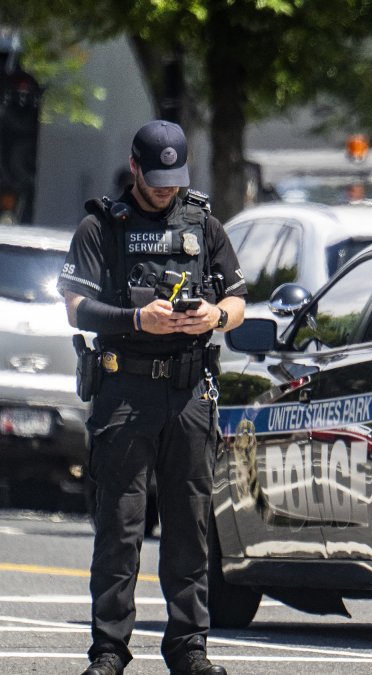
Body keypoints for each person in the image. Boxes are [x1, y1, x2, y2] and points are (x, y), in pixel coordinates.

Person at [58, 120, 246, 675]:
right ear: (135, 168)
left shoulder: (205, 224)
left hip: (189, 391)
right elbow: (74, 308)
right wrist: (138, 318)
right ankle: (110, 650)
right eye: (156, 177)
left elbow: (237, 302)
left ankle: (189, 646)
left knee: (190, 526)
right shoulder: (101, 227)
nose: (166, 189)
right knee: (120, 526)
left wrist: (215, 315)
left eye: (175, 178)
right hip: (125, 388)